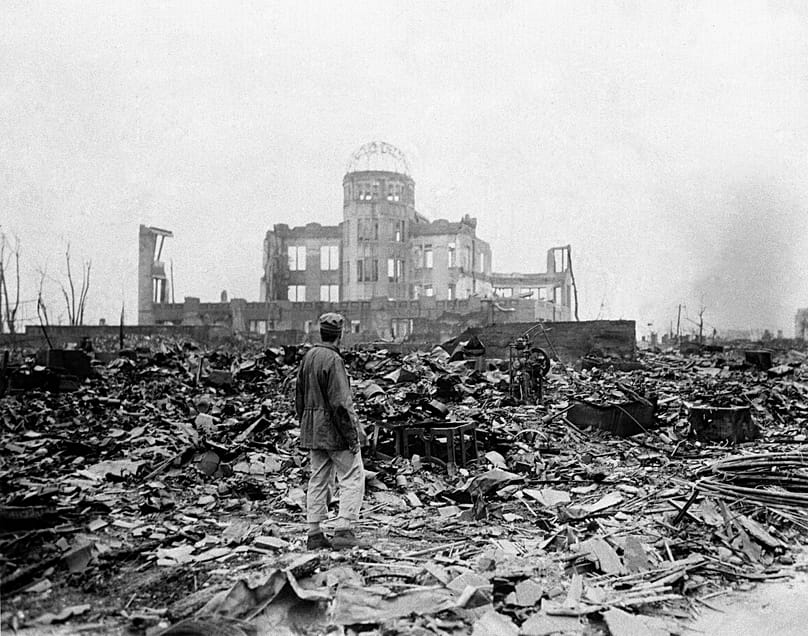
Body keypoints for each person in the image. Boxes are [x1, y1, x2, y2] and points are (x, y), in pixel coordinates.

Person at [296, 312, 366, 550]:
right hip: (334, 431)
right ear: (340, 334)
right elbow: (340, 404)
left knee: (318, 477)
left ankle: (314, 533)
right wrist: (352, 436)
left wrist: (306, 425)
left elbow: (299, 397)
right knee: (352, 475)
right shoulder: (334, 360)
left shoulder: (309, 357)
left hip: (313, 430)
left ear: (322, 332)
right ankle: (344, 529)